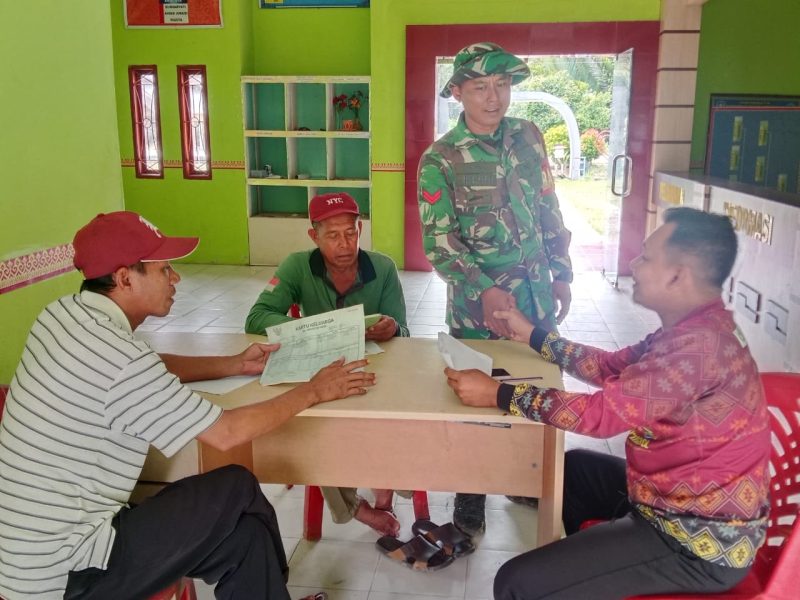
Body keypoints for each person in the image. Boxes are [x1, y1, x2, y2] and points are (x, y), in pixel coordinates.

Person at [0, 211, 374, 600]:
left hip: (34, 555)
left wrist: (233, 364)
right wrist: (314, 391)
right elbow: (227, 432)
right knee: (236, 484)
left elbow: (145, 366)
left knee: (245, 537)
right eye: (164, 269)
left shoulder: (62, 315)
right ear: (125, 279)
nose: (175, 278)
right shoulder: (120, 358)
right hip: (69, 573)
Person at [444, 207, 770, 599]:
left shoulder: (698, 349)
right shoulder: (694, 330)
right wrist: (532, 335)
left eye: (646, 257)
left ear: (677, 275)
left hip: (694, 540)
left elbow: (600, 416)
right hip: (668, 500)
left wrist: (498, 394)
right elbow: (610, 367)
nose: (634, 263)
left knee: (516, 583)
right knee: (573, 472)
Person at [417, 41, 573, 536]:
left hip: (536, 300)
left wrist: (562, 271)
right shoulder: (441, 158)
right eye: (481, 87)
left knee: (534, 390)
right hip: (477, 311)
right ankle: (471, 494)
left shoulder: (528, 136)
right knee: (476, 398)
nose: (493, 97)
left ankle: (522, 478)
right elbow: (440, 242)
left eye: (502, 85)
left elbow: (548, 206)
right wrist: (482, 288)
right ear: (458, 92)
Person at [246, 192, 410, 537]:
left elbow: (405, 334)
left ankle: (386, 483)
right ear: (314, 236)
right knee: (314, 428)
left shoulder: (383, 268)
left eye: (350, 233)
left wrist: (393, 328)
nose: (344, 244)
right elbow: (257, 317)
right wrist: (315, 330)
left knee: (395, 415)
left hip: (374, 366)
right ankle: (355, 508)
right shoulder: (297, 266)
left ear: (360, 230)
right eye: (332, 235)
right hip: (321, 368)